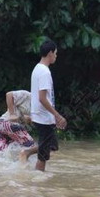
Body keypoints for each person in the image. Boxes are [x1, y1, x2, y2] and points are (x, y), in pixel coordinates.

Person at [30, 40, 67, 172]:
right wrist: (57, 116)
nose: (56, 56)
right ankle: (38, 181)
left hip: (41, 116)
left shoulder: (37, 68)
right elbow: (42, 98)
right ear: (50, 53)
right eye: (56, 53)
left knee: (52, 146)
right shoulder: (45, 72)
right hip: (43, 118)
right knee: (43, 156)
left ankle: (27, 153)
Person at [0, 90, 37, 162]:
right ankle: (23, 170)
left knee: (0, 156)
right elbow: (9, 95)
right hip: (8, 124)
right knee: (32, 148)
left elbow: (29, 121)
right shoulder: (26, 95)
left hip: (1, 125)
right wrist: (12, 114)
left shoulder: (39, 108)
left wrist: (27, 119)